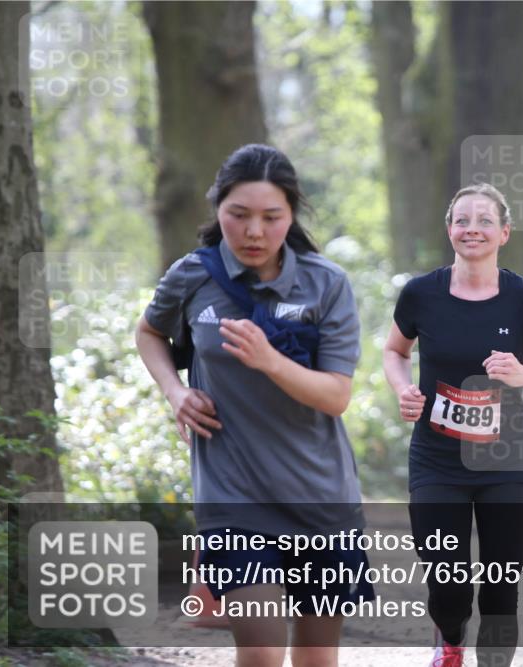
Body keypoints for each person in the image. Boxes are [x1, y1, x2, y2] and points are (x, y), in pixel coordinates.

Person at [136, 144, 371, 667]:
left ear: (292, 215)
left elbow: (336, 395)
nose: (254, 232)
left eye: (272, 217)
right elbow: (149, 331)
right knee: (261, 653)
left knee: (316, 659)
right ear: (217, 208)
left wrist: (270, 361)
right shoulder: (192, 275)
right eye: (238, 215)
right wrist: (175, 392)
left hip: (320, 498)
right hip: (233, 497)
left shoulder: (325, 284)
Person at [382, 183, 523, 667]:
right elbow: (394, 350)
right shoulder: (419, 294)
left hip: (505, 463)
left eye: (484, 220)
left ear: (504, 232)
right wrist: (402, 390)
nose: (472, 228)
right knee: (447, 584)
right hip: (436, 460)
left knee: (500, 588)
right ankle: (449, 639)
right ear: (449, 228)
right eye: (462, 219)